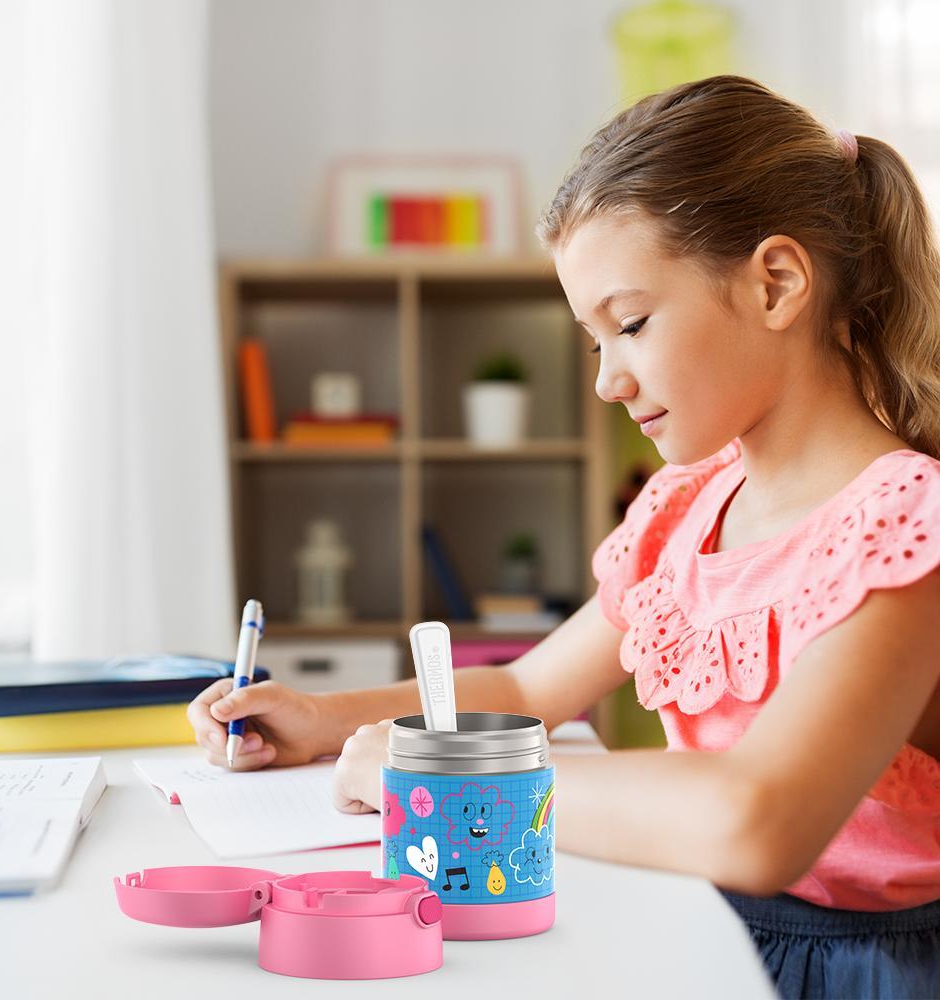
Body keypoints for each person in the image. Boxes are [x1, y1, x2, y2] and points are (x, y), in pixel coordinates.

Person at [188, 76, 940, 998]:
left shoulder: (903, 527)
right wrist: (324, 719)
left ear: (776, 283)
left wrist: (440, 775)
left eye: (631, 324)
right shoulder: (685, 512)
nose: (608, 382)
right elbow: (524, 686)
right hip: (703, 929)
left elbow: (759, 820)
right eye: (595, 343)